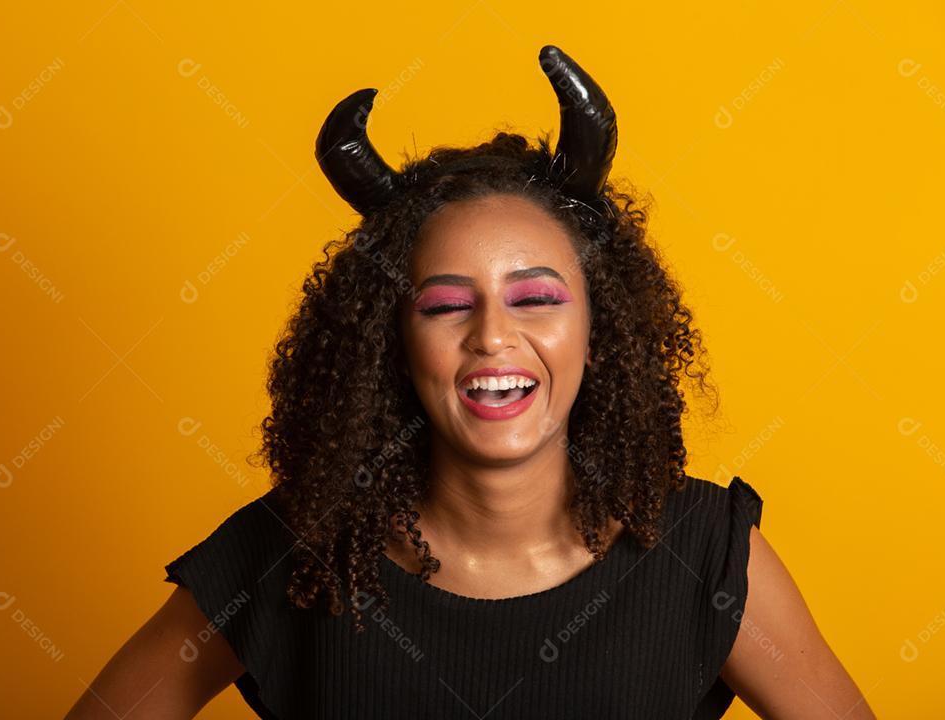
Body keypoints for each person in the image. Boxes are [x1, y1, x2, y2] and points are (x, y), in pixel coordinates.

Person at [65, 45, 876, 719]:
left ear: (599, 332)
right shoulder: (292, 552)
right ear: (393, 341)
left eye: (536, 298)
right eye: (446, 305)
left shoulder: (705, 552)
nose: (492, 336)